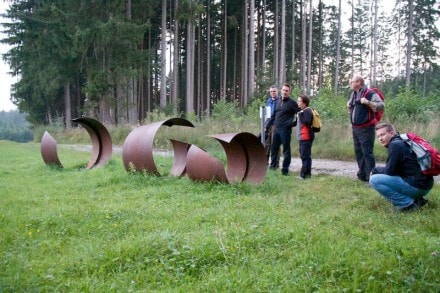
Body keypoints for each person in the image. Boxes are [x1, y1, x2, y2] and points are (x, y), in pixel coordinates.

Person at [369, 123, 433, 211]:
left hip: (418, 187)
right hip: (425, 185)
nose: (380, 138)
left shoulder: (395, 145)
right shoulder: (403, 141)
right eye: (378, 136)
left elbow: (390, 171)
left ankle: (406, 204)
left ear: (392, 133)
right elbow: (396, 170)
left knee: (374, 180)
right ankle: (418, 200)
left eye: (383, 135)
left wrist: (375, 169)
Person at [347, 75, 384, 184]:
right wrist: (349, 104)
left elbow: (381, 105)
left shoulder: (370, 93)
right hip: (356, 128)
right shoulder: (353, 94)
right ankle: (362, 175)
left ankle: (371, 178)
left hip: (366, 128)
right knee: (359, 152)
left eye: (352, 82)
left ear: (359, 82)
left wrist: (368, 102)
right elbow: (352, 106)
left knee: (367, 153)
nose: (350, 84)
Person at [268, 83, 300, 176]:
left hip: (285, 130)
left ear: (289, 92)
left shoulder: (292, 103)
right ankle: (273, 167)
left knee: (286, 150)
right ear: (281, 91)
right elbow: (273, 115)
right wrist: (267, 126)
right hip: (276, 129)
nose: (284, 92)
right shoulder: (278, 102)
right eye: (283, 90)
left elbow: (300, 114)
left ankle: (285, 170)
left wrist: (292, 124)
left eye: (287, 91)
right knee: (274, 149)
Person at [296, 95, 315, 179]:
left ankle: (303, 175)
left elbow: (307, 122)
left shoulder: (307, 111)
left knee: (305, 156)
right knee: (306, 156)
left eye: (299, 101)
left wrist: (300, 115)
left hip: (306, 137)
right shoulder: (302, 111)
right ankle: (308, 174)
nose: (298, 103)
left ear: (304, 103)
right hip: (302, 137)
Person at [263, 85, 280, 164]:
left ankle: (275, 163)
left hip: (276, 125)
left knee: (275, 144)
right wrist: (265, 125)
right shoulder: (268, 101)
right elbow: (266, 113)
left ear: (277, 91)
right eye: (271, 91)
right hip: (268, 125)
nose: (273, 93)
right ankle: (264, 162)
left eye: (274, 91)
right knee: (266, 144)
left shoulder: (280, 101)